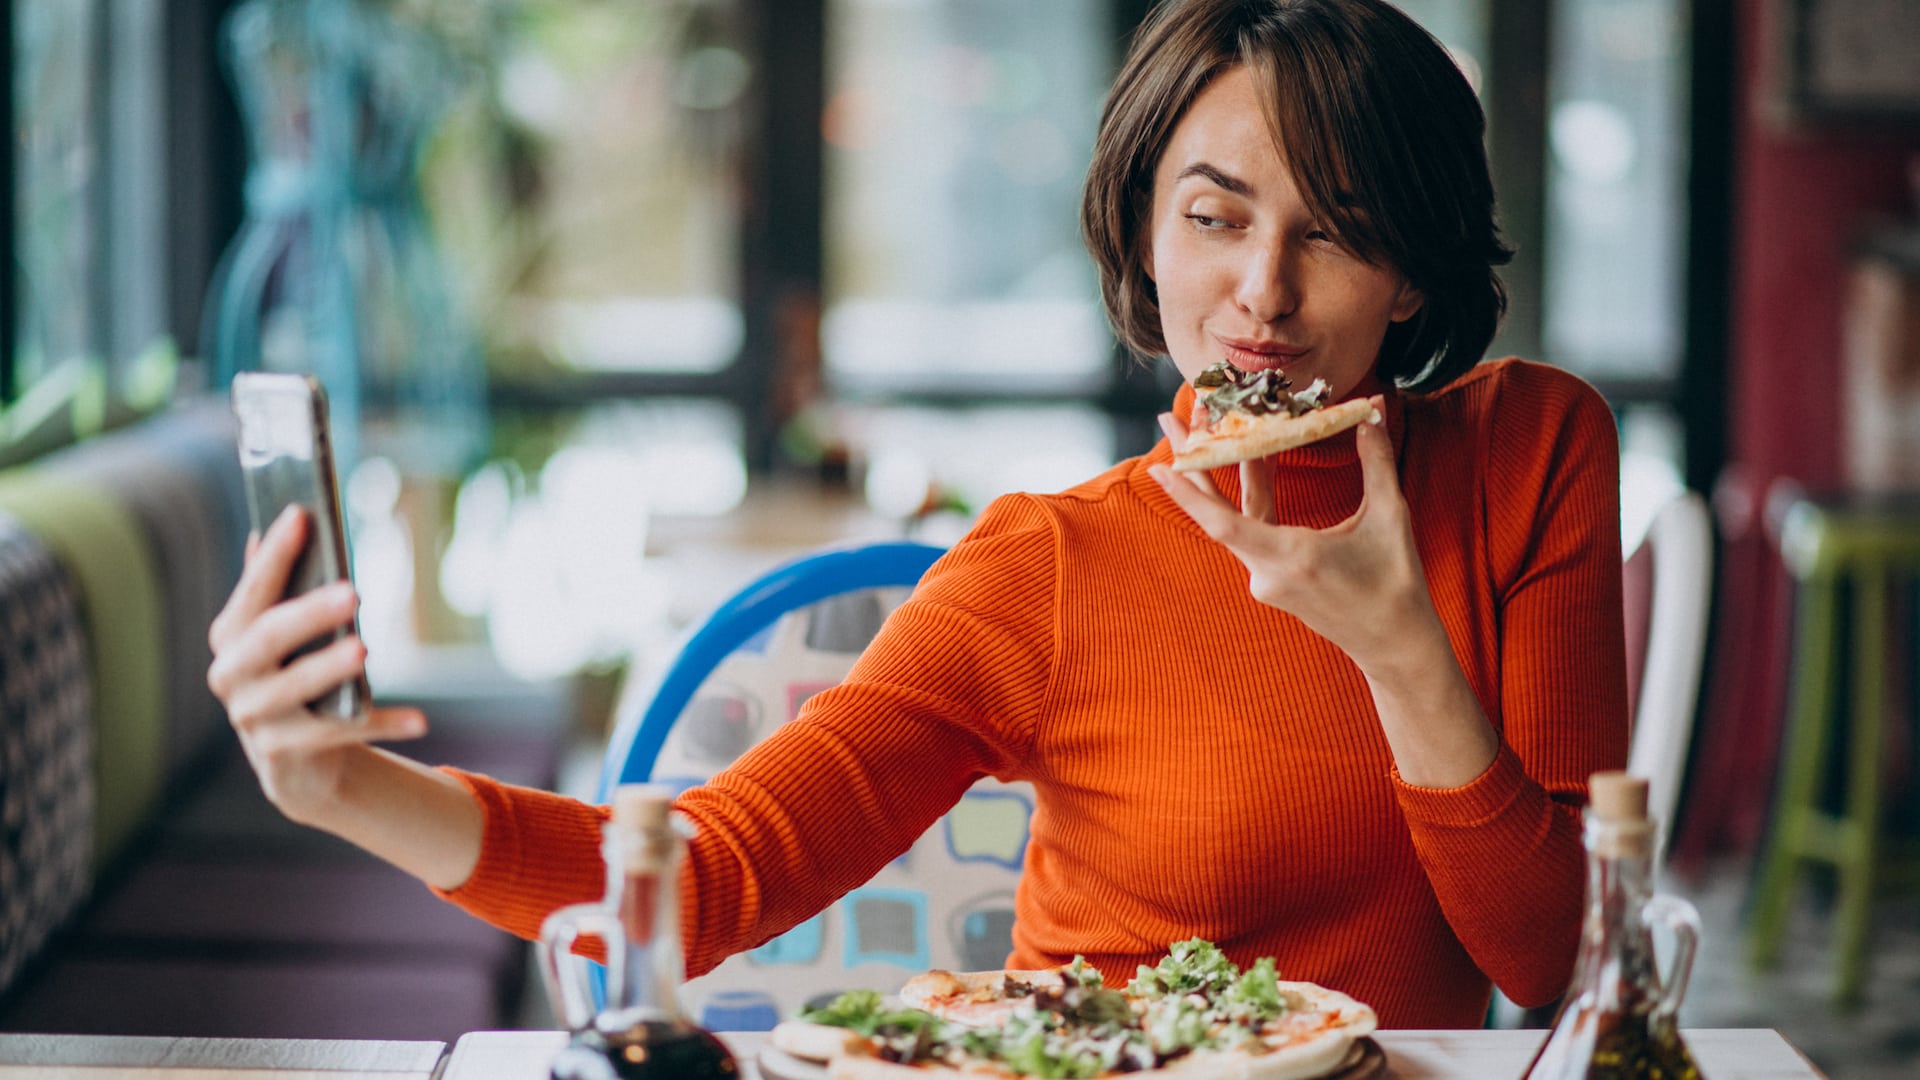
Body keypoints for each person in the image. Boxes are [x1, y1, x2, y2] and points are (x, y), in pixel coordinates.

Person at [207, 0, 1626, 1030]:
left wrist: (1400, 653)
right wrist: (340, 786)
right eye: (1214, 216)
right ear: (1141, 226)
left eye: (1336, 227)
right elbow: (712, 880)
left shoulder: (1529, 451)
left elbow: (1551, 967)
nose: (1263, 289)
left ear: (1418, 275)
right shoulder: (1050, 564)